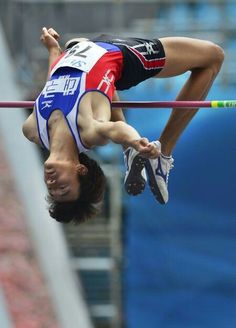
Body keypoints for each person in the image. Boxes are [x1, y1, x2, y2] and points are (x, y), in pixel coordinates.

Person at [22, 27, 224, 224]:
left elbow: (52, 84)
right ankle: (162, 155)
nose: (52, 184)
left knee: (75, 43)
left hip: (87, 48)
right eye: (63, 189)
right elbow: (116, 130)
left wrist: (54, 51)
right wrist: (137, 142)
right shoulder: (88, 132)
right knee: (213, 57)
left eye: (51, 190)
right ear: (80, 170)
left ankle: (130, 153)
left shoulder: (33, 129)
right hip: (121, 57)